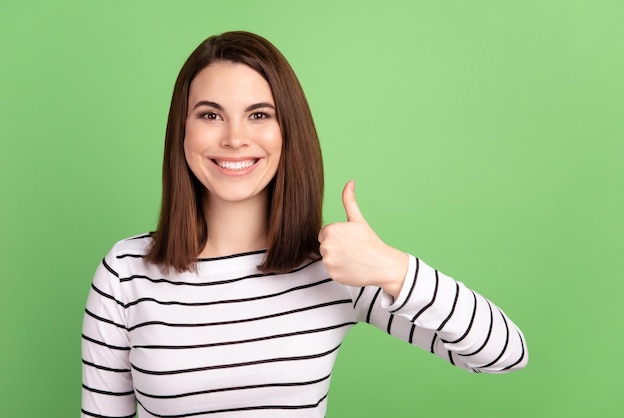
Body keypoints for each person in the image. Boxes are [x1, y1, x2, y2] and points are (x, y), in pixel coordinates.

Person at [81, 31, 528, 418]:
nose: (235, 137)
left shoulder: (334, 268)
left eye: (259, 114)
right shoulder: (125, 272)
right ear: (182, 131)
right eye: (210, 114)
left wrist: (395, 269)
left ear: (288, 130)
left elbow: (505, 354)